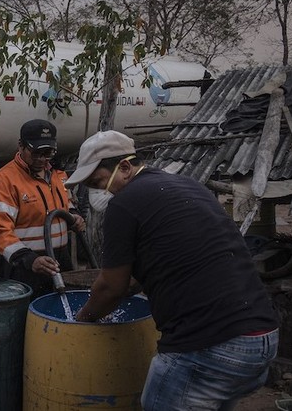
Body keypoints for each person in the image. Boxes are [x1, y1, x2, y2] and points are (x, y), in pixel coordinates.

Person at [67, 130, 280, 410]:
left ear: (127, 167)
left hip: (211, 346)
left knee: (158, 402)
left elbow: (112, 287)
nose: (98, 191)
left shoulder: (124, 203)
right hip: (262, 340)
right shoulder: (189, 186)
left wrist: (83, 319)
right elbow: (172, 261)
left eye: (98, 182)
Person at [0, 119, 86, 298]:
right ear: (21, 146)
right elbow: (0, 233)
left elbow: (67, 204)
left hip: (59, 261)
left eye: (47, 153)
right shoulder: (5, 180)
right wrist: (30, 260)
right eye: (36, 153)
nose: (42, 159)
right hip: (22, 268)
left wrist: (74, 216)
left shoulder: (58, 175)